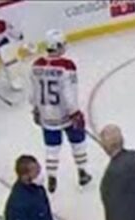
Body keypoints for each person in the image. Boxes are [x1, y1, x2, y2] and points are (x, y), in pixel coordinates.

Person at [30, 29, 91, 194]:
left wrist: (35, 109)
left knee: (52, 147)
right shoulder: (67, 66)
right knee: (77, 142)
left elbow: (34, 91)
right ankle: (82, 171)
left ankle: (51, 175)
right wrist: (74, 112)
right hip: (65, 113)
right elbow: (69, 93)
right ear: (58, 45)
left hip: (46, 115)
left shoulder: (36, 65)